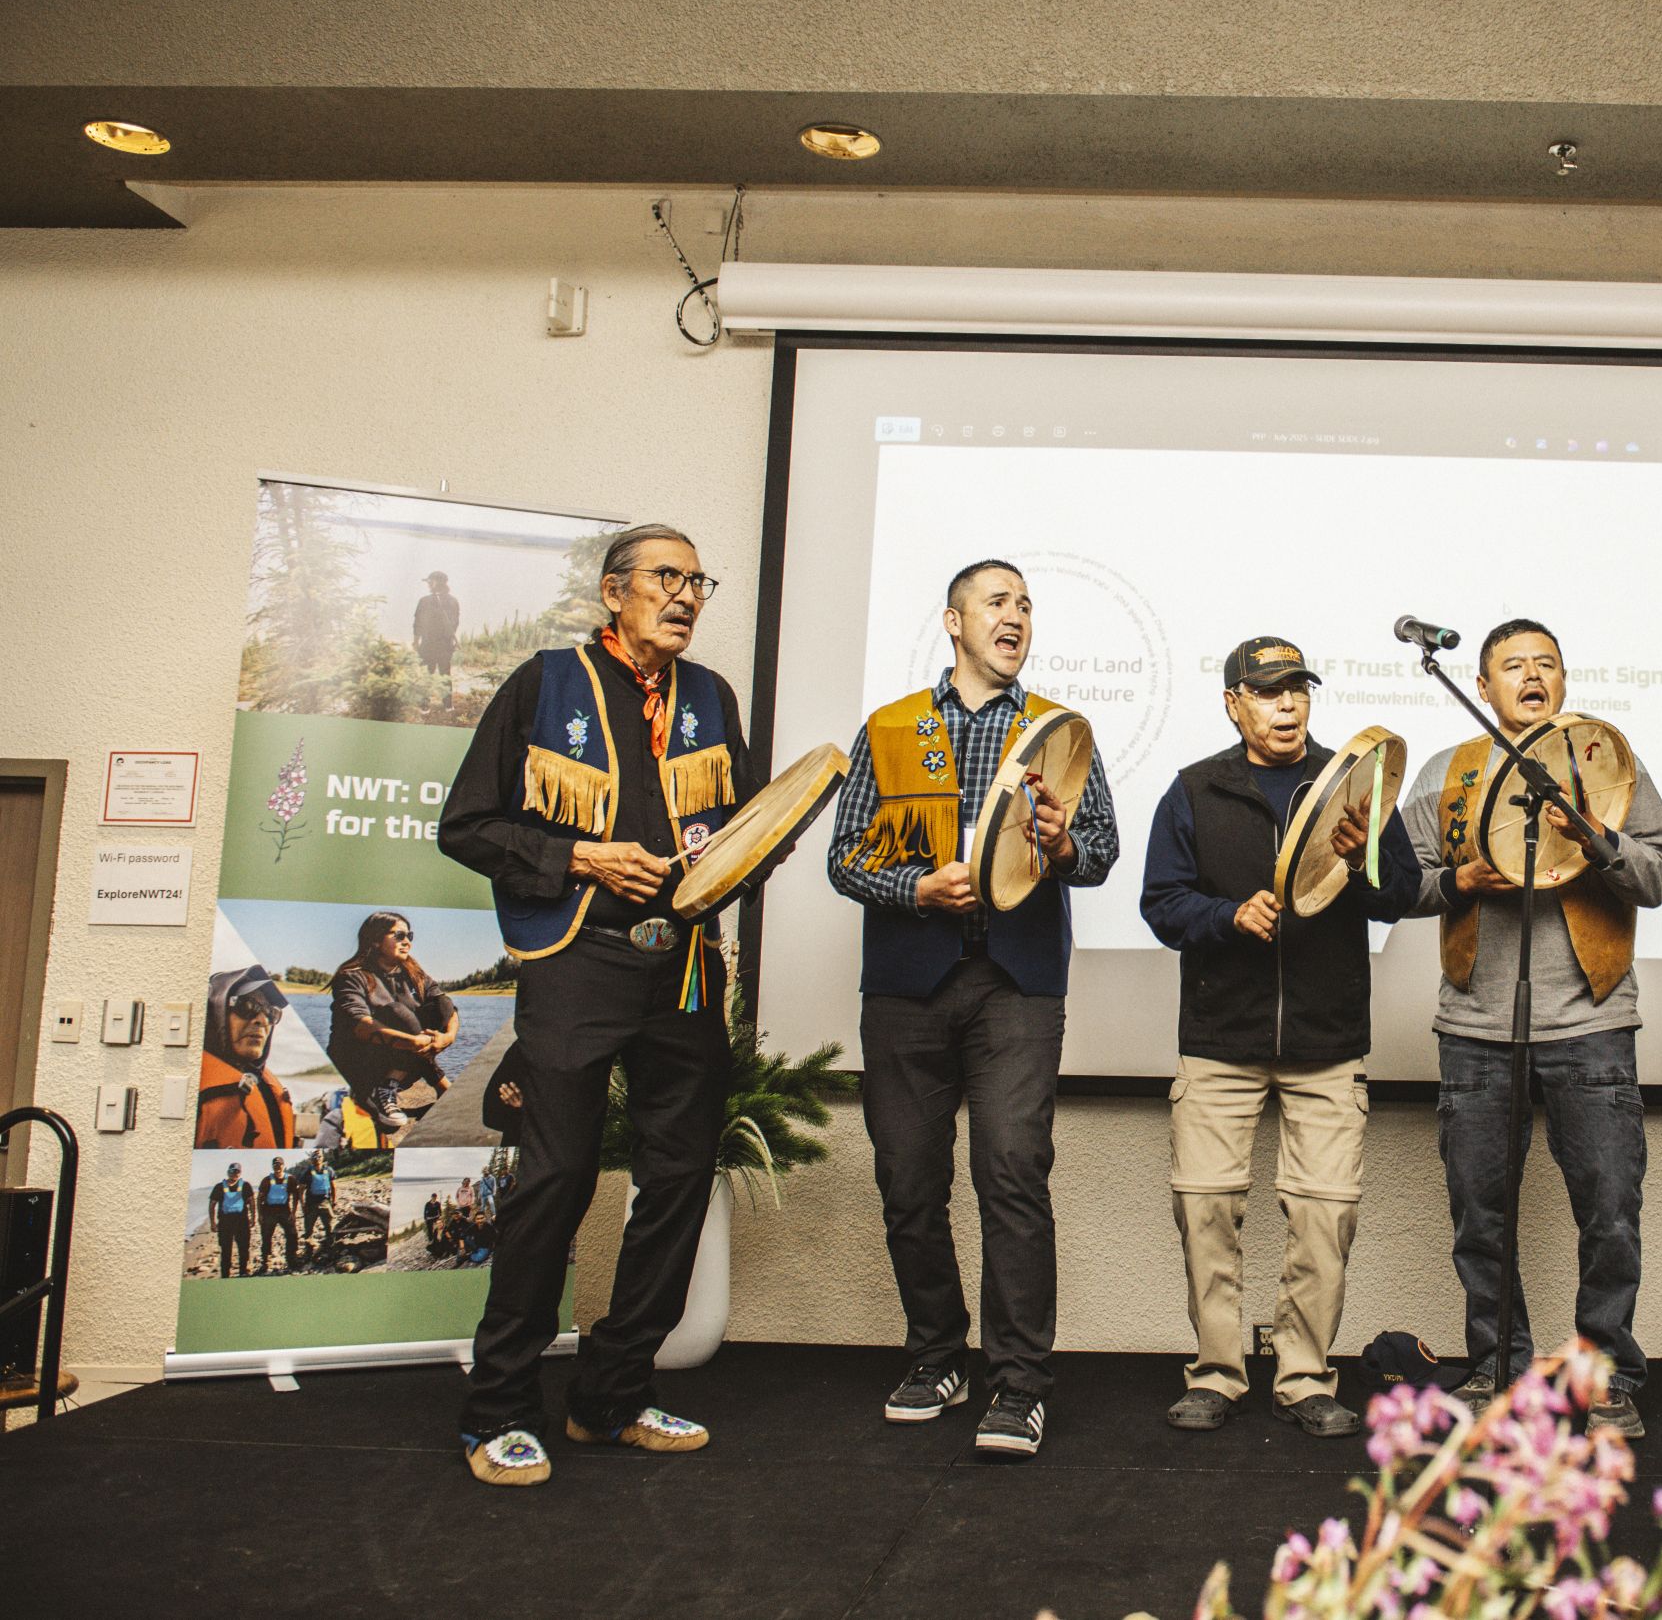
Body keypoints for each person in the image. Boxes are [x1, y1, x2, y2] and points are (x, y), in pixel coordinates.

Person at [438, 522, 764, 1487]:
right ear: (613, 592)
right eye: (667, 577)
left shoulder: (711, 697)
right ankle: (498, 1409)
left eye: (698, 581)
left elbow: (748, 829)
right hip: (578, 960)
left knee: (680, 1177)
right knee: (556, 1177)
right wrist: (582, 857)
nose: (687, 595)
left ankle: (610, 1397)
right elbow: (466, 825)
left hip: (686, 968)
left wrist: (744, 853)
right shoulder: (544, 684)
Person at [826, 557, 1120, 1460]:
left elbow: (1102, 850)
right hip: (906, 987)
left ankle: (1019, 1383)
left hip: (1016, 987)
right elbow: (844, 856)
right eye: (997, 601)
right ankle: (935, 1355)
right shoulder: (889, 727)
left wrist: (1063, 846)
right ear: (954, 622)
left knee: (1012, 1174)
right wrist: (916, 889)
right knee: (908, 1181)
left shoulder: (1059, 731)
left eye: (1025, 604)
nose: (1015, 616)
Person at [1397, 620, 1662, 1437]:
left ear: (1563, 681)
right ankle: (1499, 1369)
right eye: (1513, 666)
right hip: (1476, 1027)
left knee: (1610, 1210)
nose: (1531, 676)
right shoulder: (1447, 773)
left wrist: (1599, 840)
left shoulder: (1608, 765)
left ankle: (1606, 1375)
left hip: (1592, 1021)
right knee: (1480, 1214)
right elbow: (1400, 883)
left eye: (1546, 664)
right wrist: (1461, 881)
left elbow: (1658, 874)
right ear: (1482, 688)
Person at [1139, 636, 1421, 1437]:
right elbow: (1161, 903)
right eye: (1268, 691)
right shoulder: (1194, 790)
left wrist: (1363, 857)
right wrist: (1226, 917)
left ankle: (1303, 1377)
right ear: (1235, 704)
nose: (1288, 703)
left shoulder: (1352, 784)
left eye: (1298, 688)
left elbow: (1401, 893)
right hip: (1219, 1039)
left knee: (1325, 1217)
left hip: (1327, 1042)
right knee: (1204, 1209)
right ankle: (1217, 1374)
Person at [326, 912, 458, 1132]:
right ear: (375, 940)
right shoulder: (351, 976)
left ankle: (392, 1084)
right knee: (398, 1012)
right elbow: (360, 1026)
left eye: (409, 936)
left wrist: (448, 1037)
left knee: (442, 1004)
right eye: (399, 935)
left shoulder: (414, 974)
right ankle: (390, 1090)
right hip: (359, 1062)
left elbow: (449, 1010)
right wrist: (414, 1042)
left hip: (399, 1062)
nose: (407, 942)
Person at [197, 967, 297, 1150]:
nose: (262, 1020)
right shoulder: (192, 1087)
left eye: (271, 1013)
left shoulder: (267, 1087)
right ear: (215, 1012)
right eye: (247, 1006)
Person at [256, 1155, 300, 1274]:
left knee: (292, 1233)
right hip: (269, 1210)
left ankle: (291, 1259)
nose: (277, 1167)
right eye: (275, 1165)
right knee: (266, 1236)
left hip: (284, 1209)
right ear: (272, 1166)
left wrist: (293, 1212)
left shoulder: (290, 1179)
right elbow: (259, 1198)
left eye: (279, 1165)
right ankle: (265, 1261)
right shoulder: (266, 1180)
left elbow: (296, 1196)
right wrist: (260, 1215)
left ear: (283, 1166)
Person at [209, 1162, 254, 1278]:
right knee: (226, 1250)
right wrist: (212, 1222)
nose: (234, 1173)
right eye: (232, 1171)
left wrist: (253, 1218)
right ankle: (225, 1275)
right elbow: (212, 1204)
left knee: (244, 1248)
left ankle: (243, 1272)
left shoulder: (246, 1186)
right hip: (225, 1223)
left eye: (237, 1171)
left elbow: (251, 1202)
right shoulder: (219, 1187)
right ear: (228, 1172)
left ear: (240, 1173)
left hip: (242, 1222)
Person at [416, 570, 461, 677]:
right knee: (444, 676)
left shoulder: (424, 601)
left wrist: (416, 641)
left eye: (430, 582)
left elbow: (418, 624)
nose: (428, 585)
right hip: (445, 644)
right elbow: (455, 624)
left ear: (437, 583)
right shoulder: (453, 601)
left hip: (428, 644)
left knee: (425, 676)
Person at [300, 1153, 339, 1247]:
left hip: (325, 1202)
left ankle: (330, 1247)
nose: (317, 1159)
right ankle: (309, 1249)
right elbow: (301, 1190)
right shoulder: (307, 1172)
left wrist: (334, 1201)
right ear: (311, 1159)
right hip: (311, 1204)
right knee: (308, 1229)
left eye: (319, 1156)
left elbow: (333, 1187)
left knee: (329, 1227)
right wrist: (303, 1204)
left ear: (323, 1158)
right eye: (314, 1157)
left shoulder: (329, 1170)